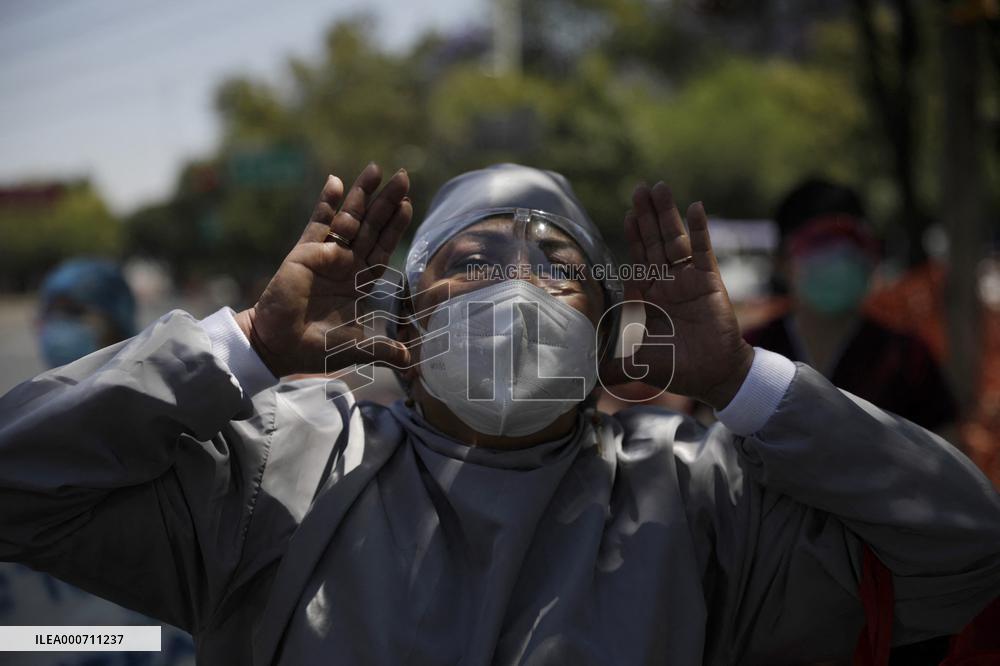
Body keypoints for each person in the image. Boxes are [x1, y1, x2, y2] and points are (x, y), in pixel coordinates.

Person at [0, 163, 998, 666]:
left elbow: (961, 555)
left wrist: (744, 379)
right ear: (397, 313)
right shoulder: (287, 467)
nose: (514, 288)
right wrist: (245, 345)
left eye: (557, 265)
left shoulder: (696, 491)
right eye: (472, 263)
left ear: (611, 327)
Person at [0, 258, 196, 666]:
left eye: (73, 313)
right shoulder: (20, 441)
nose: (55, 327)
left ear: (116, 320)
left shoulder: (172, 440)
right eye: (48, 314)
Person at [745, 178, 958, 434]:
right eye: (820, 242)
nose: (840, 257)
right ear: (781, 260)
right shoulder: (749, 355)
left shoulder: (910, 360)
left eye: (853, 241)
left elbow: (945, 456)